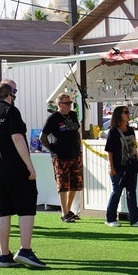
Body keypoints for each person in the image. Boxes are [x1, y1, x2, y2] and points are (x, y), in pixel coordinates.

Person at [0, 81, 46, 268]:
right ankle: (25, 250)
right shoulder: (11, 111)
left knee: (2, 211)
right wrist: (29, 165)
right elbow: (17, 138)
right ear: (9, 96)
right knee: (26, 208)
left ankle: (4, 255)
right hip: (14, 168)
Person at [40, 93, 83, 223]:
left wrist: (79, 148)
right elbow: (43, 136)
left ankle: (69, 210)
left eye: (71, 103)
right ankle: (64, 213)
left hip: (75, 154)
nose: (70, 105)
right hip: (61, 156)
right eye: (67, 103)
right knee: (63, 184)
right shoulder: (53, 118)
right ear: (59, 105)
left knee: (75, 184)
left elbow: (77, 132)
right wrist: (52, 148)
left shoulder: (73, 115)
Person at [104, 105, 138, 227]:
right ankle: (110, 218)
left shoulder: (130, 130)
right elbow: (109, 151)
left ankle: (135, 219)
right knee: (117, 191)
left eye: (128, 112)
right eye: (126, 112)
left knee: (131, 192)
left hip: (131, 165)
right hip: (118, 166)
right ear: (119, 115)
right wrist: (110, 166)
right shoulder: (112, 132)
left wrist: (137, 159)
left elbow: (133, 147)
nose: (128, 114)